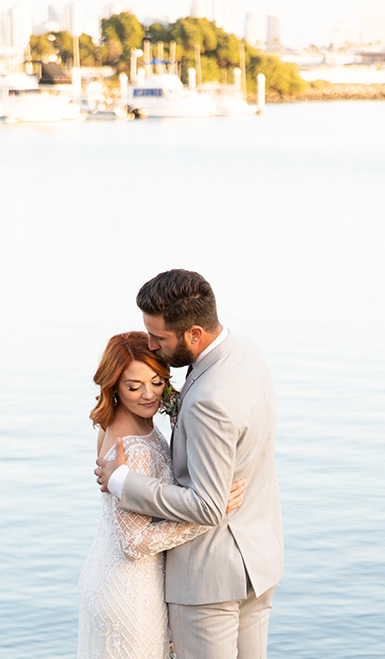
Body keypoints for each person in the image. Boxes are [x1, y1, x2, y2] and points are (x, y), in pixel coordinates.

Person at [96, 269, 284, 659]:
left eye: (159, 338)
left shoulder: (208, 400)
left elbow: (208, 506)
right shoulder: (245, 353)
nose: (151, 345)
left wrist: (123, 482)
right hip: (260, 561)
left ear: (194, 333)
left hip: (208, 580)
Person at [78, 331, 245, 659]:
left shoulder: (118, 421)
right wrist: (210, 514)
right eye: (133, 386)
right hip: (129, 589)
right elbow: (134, 543)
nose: (148, 395)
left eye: (156, 381)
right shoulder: (132, 448)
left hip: (113, 577)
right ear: (114, 386)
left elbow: (166, 402)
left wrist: (183, 407)